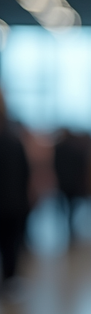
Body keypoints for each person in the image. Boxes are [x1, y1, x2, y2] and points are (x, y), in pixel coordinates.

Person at [0, 90, 31, 286]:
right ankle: (9, 279)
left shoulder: (13, 140)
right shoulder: (13, 140)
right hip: (12, 202)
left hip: (12, 201)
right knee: (10, 244)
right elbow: (24, 173)